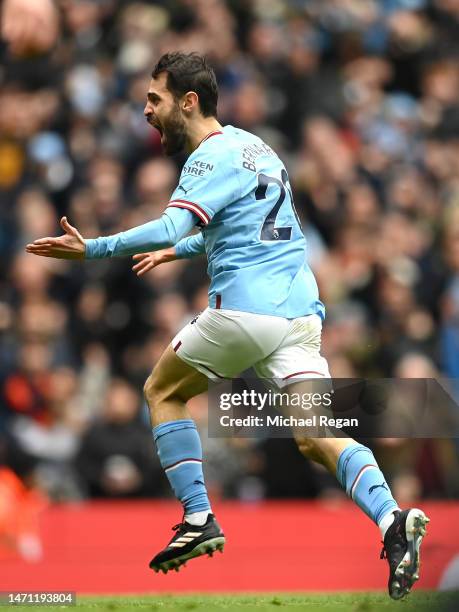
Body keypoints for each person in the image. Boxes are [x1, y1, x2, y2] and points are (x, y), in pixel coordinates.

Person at [26, 52, 429, 599]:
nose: (146, 110)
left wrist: (94, 248)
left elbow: (173, 220)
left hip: (245, 311)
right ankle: (392, 522)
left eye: (155, 99)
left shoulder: (206, 156)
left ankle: (198, 518)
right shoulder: (255, 147)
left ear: (188, 102)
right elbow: (241, 227)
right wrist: (179, 252)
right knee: (318, 437)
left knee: (162, 390)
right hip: (299, 316)